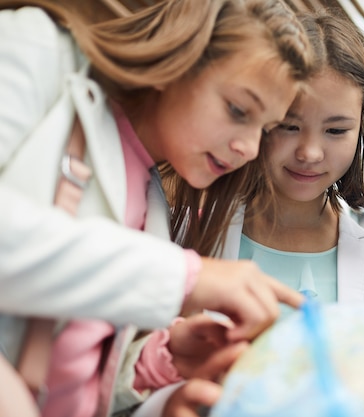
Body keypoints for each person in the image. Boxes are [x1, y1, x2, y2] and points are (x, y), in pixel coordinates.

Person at [0, 0, 315, 416]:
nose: (250, 147)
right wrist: (186, 277)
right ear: (179, 58)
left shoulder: (153, 212)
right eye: (238, 110)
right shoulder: (37, 46)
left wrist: (155, 366)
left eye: (266, 129)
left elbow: (63, 383)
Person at [218, 9, 364, 315]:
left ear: (362, 129)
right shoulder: (186, 229)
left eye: (335, 131)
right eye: (289, 126)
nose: (310, 153)